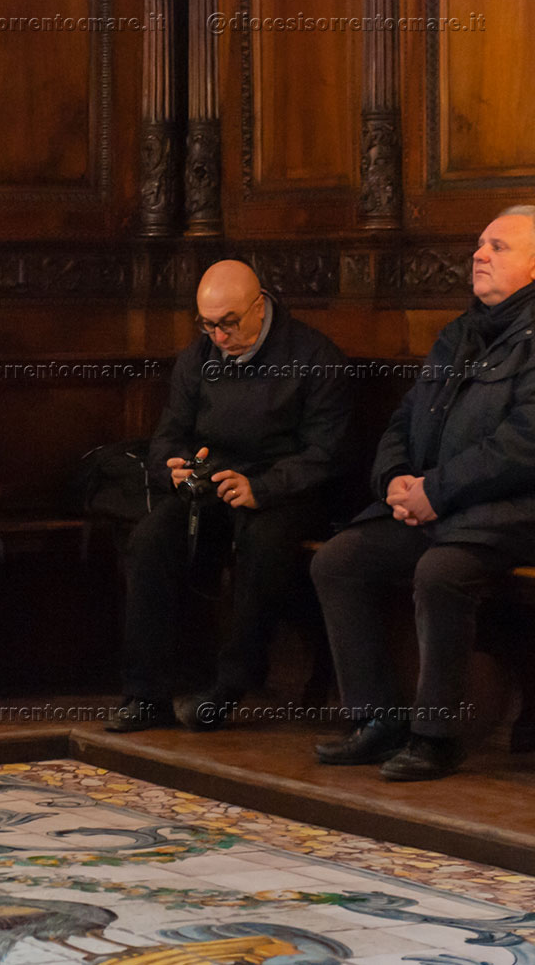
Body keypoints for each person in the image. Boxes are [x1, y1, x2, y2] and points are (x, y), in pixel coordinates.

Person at [311, 205, 535, 781]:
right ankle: (376, 720)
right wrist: (393, 479)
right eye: (480, 244)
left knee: (441, 572)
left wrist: (437, 491)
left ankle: (436, 737)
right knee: (338, 560)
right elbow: (405, 418)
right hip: (446, 509)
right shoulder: (459, 335)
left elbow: (532, 448)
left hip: (525, 516)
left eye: (498, 247)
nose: (479, 254)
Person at [107, 260, 352, 734]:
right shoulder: (198, 357)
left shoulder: (314, 356)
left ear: (260, 306)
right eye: (208, 324)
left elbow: (328, 453)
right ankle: (146, 693)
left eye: (229, 323)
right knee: (151, 538)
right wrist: (175, 468)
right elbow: (167, 436)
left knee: (263, 547)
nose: (219, 336)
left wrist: (262, 487)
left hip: (285, 490)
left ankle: (228, 687)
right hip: (212, 483)